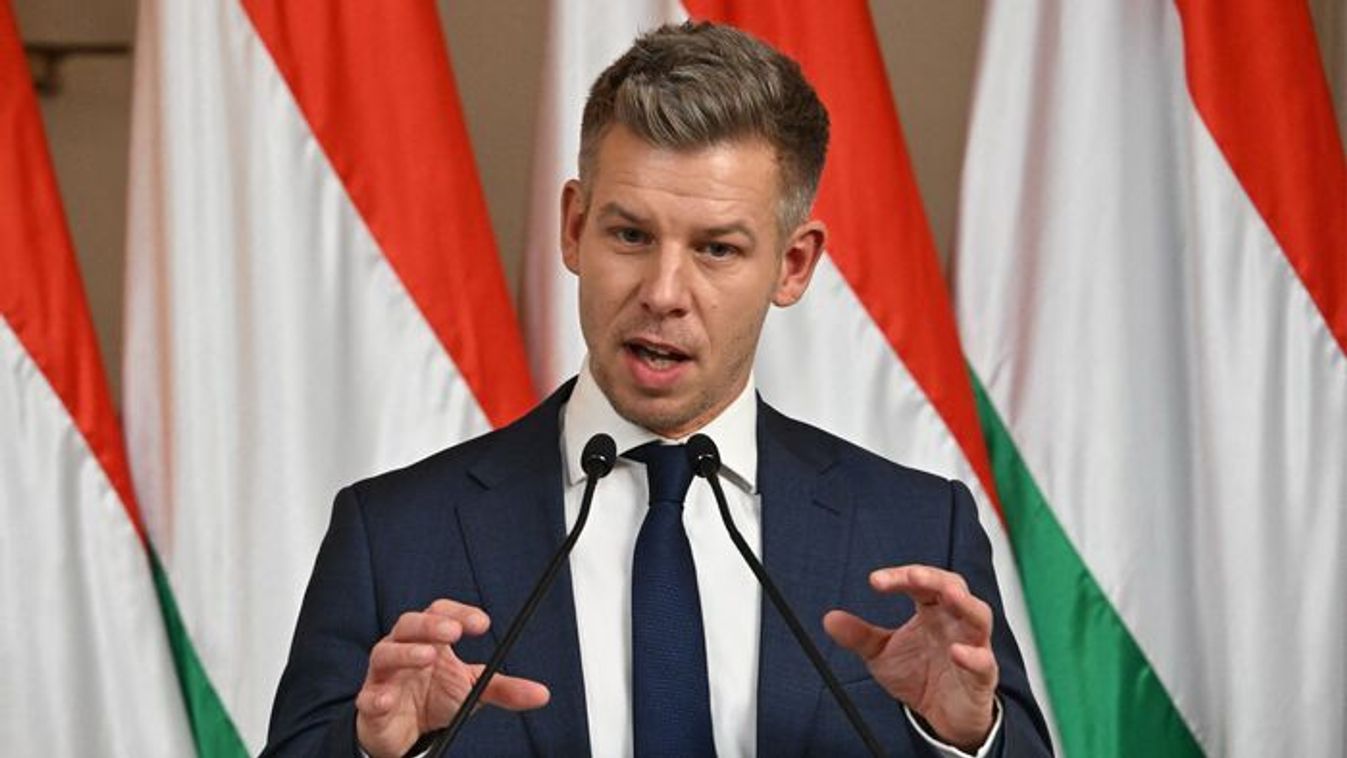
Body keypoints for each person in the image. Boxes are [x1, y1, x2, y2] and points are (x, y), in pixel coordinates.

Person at [262, 21, 1051, 758]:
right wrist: (374, 753)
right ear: (575, 228)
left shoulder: (915, 530)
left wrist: (962, 738)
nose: (663, 293)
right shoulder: (393, 534)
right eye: (630, 235)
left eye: (716, 249)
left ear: (793, 266)